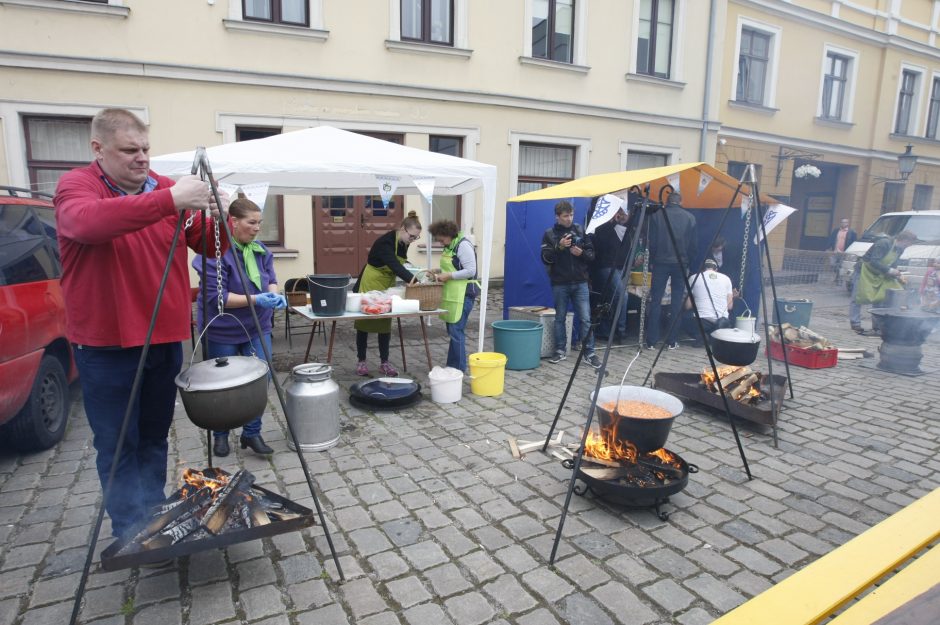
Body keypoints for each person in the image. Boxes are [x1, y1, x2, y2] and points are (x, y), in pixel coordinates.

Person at [54, 108, 226, 541]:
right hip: (106, 344)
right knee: (116, 444)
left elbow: (205, 244)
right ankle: (129, 530)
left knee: (153, 436)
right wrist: (171, 200)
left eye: (146, 149)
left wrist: (217, 211)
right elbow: (87, 224)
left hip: (164, 337)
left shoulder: (167, 190)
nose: (142, 158)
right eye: (129, 150)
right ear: (99, 149)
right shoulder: (78, 186)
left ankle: (154, 515)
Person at [192, 195, 285, 458]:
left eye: (260, 223)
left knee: (259, 380)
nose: (257, 228)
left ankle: (252, 432)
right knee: (222, 386)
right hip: (222, 329)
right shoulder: (213, 251)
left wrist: (274, 294)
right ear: (232, 222)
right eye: (252, 223)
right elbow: (217, 298)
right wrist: (258, 299)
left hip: (257, 326)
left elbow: (271, 278)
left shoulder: (260, 250)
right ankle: (220, 436)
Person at [353, 212, 420, 376]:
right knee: (364, 323)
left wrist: (417, 273)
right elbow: (395, 265)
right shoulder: (386, 242)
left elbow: (402, 264)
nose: (413, 240)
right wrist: (415, 281)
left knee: (384, 323)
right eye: (412, 236)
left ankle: (384, 362)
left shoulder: (404, 243)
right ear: (403, 229)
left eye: (416, 238)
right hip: (371, 282)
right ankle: (361, 361)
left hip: (386, 284)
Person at [541, 200, 601, 369]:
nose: (569, 219)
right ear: (557, 216)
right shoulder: (550, 234)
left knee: (585, 319)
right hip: (560, 283)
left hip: (581, 282)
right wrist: (559, 247)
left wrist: (581, 253)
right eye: (565, 216)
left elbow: (592, 256)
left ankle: (589, 352)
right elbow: (546, 258)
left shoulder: (580, 230)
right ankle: (560, 350)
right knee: (560, 318)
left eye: (571, 215)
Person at [645, 191, 697, 350]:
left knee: (656, 301)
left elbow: (651, 243)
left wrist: (653, 261)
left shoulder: (656, 216)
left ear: (667, 201)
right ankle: (672, 340)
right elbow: (693, 245)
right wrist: (688, 261)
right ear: (681, 201)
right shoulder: (690, 218)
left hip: (660, 261)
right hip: (681, 263)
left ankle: (651, 341)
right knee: (676, 302)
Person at [427, 220, 479, 372]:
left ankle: (459, 369)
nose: (440, 243)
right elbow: (456, 266)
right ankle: (452, 367)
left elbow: (470, 270)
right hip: (452, 294)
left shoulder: (463, 245)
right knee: (452, 330)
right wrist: (437, 271)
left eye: (441, 239)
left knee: (456, 330)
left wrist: (448, 275)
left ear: (449, 235)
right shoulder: (450, 245)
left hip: (465, 294)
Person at [850, 230, 917, 335]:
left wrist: (897, 275)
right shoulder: (884, 243)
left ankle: (877, 327)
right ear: (904, 240)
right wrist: (889, 270)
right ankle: (855, 323)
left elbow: (893, 264)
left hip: (879, 273)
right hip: (863, 271)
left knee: (879, 299)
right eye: (909, 243)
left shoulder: (900, 249)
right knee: (857, 298)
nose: (909, 246)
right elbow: (874, 261)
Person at [590, 206, 633, 343]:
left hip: (619, 268)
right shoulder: (604, 228)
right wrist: (612, 223)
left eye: (625, 213)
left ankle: (606, 331)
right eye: (620, 213)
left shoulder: (629, 230)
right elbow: (601, 246)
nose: (623, 215)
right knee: (622, 296)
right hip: (606, 267)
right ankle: (620, 331)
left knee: (610, 298)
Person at [682, 258, 734, 346]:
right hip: (722, 322)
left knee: (685, 317)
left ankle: (700, 336)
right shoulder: (726, 279)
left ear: (702, 269)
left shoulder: (693, 278)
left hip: (701, 322)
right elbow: (730, 306)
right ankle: (714, 336)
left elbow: (688, 305)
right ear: (716, 269)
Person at [828, 218, 858, 285]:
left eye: (845, 222)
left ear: (848, 223)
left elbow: (854, 242)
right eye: (842, 222)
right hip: (835, 252)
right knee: (833, 264)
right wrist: (828, 248)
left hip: (844, 253)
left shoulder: (852, 232)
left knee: (841, 266)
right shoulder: (836, 231)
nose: (843, 223)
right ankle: (837, 276)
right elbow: (831, 239)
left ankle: (839, 279)